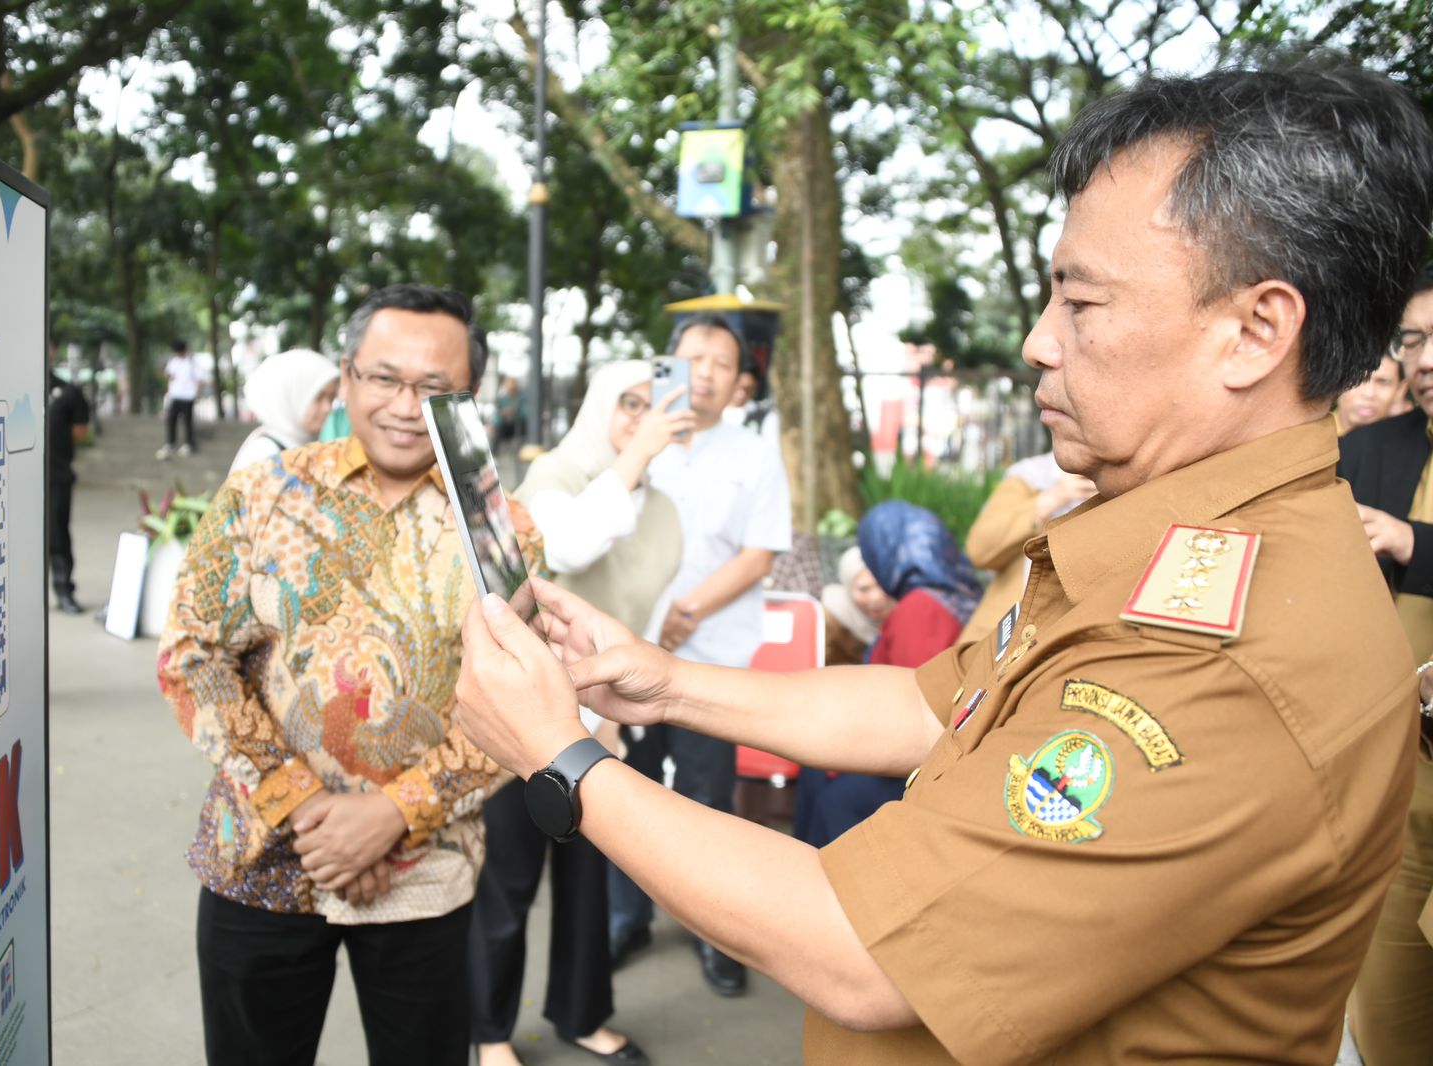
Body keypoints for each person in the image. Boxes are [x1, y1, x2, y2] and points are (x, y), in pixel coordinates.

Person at [452, 62, 1432, 1063]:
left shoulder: (1221, 652)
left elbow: (858, 950)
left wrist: (560, 756)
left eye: (1080, 302)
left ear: (1254, 331)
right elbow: (931, 707)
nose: (1037, 341)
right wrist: (662, 684)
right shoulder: (1162, 544)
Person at [157, 284, 538, 1066]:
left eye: (435, 387)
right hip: (261, 858)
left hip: (425, 875)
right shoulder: (266, 492)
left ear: (470, 395)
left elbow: (526, 704)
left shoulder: (502, 529)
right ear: (347, 375)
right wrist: (306, 812)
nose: (406, 405)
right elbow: (193, 656)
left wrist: (393, 815)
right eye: (384, 378)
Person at [470, 360, 692, 1066]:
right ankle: (489, 1031)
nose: (640, 418)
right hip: (524, 713)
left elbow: (641, 612)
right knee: (507, 882)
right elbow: (564, 544)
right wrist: (632, 458)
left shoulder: (661, 502)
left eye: (653, 405)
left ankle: (581, 1012)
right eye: (627, 403)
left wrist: (615, 717)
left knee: (588, 878)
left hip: (601, 718)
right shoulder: (552, 478)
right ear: (599, 406)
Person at [606, 313, 792, 997]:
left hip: (710, 656)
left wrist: (686, 612)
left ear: (739, 377)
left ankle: (716, 937)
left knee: (708, 799)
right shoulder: (639, 436)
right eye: (693, 357)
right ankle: (625, 919)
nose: (706, 371)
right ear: (669, 364)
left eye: (721, 361)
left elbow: (760, 552)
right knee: (627, 791)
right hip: (625, 653)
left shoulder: (753, 450)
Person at [1336, 263, 1433, 1063]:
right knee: (1387, 1017)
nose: (1426, 359)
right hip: (1390, 794)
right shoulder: (1367, 450)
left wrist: (1411, 541)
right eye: (1414, 339)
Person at [794, 502, 981, 847]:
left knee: (824, 788)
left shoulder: (919, 608)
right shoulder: (957, 593)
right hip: (930, 746)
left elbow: (912, 698)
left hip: (908, 755)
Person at [958, 455, 1096, 643]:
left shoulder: (1131, 486)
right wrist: (1051, 499)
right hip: (999, 636)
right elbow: (978, 549)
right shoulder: (1031, 476)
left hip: (1071, 640)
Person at [227, 348, 340, 475]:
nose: (327, 408)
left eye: (331, 398)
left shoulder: (299, 445)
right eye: (319, 397)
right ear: (291, 396)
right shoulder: (265, 454)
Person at [48, 339, 91, 615]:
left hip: (56, 475)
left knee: (57, 534)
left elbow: (80, 431)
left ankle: (64, 590)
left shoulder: (67, 391)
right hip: (17, 479)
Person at [819, 546, 887, 666]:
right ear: (849, 586)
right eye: (864, 589)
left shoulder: (904, 611)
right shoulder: (829, 619)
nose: (876, 597)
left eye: (882, 586)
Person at [1335, 350, 1407, 436]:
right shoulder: (1316, 435)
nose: (1369, 394)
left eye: (1383, 382)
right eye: (1358, 379)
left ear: (1401, 390)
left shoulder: (1410, 444)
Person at [157, 338, 202, 459]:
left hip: (188, 396)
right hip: (175, 395)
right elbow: (169, 375)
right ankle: (171, 443)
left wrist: (196, 394)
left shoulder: (191, 363)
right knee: (171, 419)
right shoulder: (173, 362)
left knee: (187, 421)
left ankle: (189, 444)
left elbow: (198, 379)